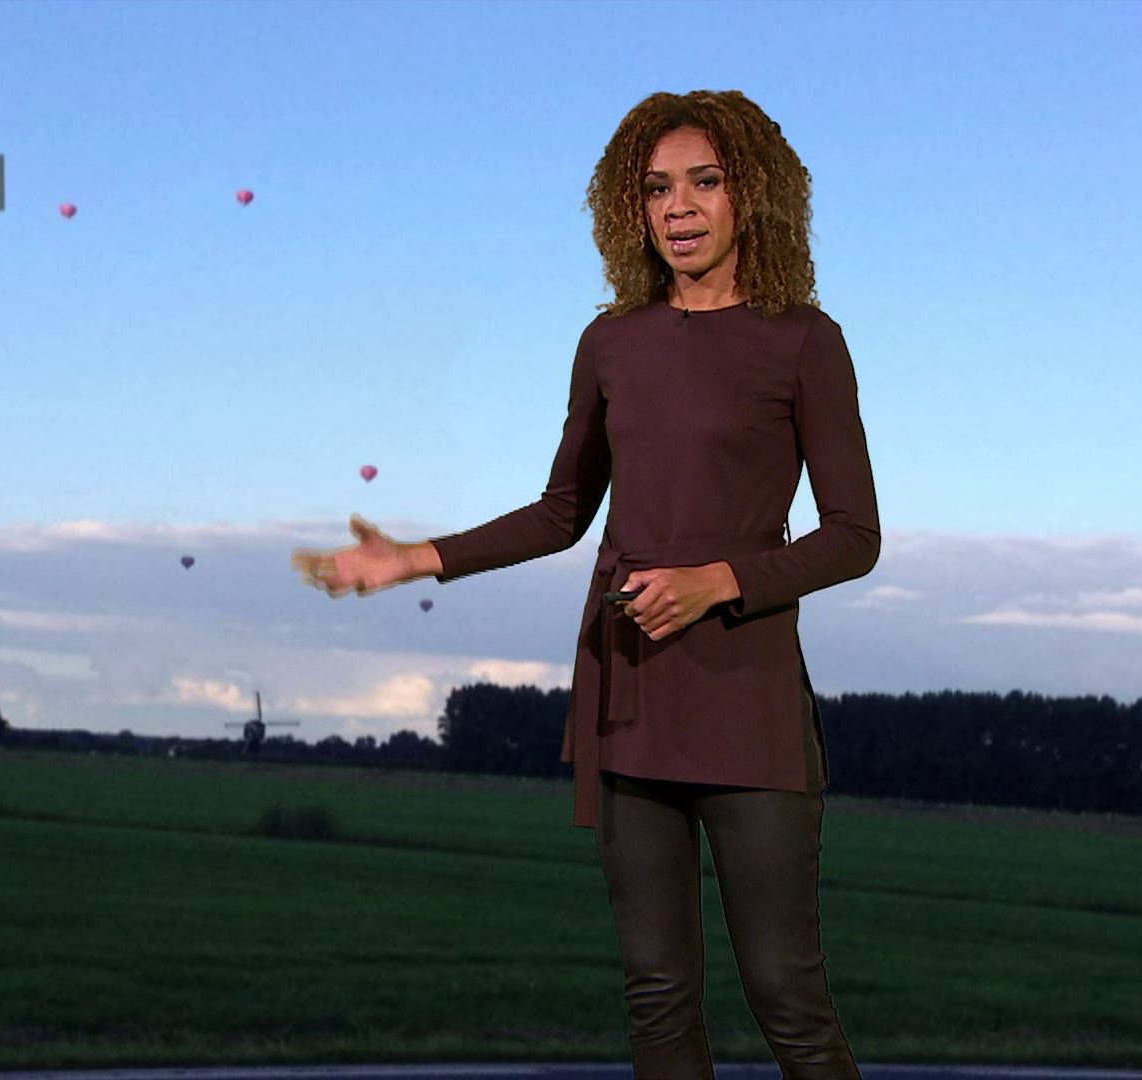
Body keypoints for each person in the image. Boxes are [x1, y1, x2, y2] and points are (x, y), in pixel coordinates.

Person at [290, 90, 877, 1078]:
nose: (678, 207)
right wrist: (413, 558)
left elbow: (854, 536)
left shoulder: (805, 340)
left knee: (787, 997)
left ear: (753, 195)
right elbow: (563, 511)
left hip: (750, 709)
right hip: (630, 696)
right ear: (629, 208)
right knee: (657, 999)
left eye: (704, 182)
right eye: (656, 189)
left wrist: (717, 582)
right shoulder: (611, 343)